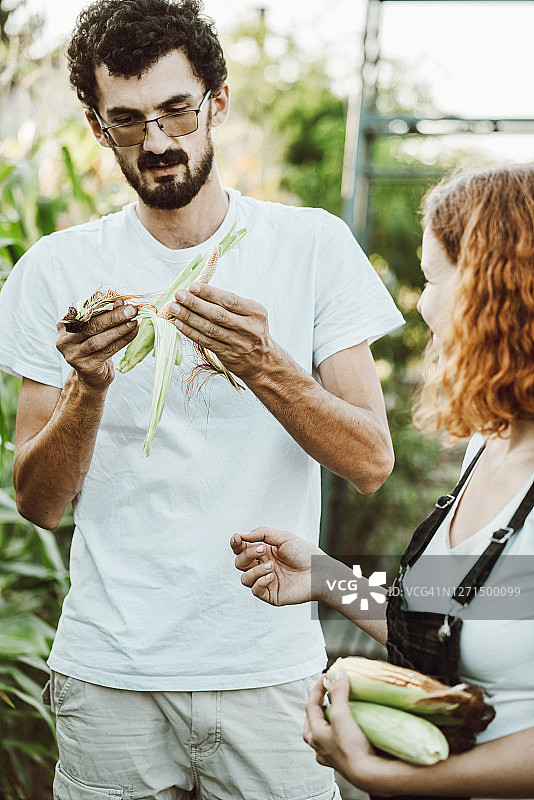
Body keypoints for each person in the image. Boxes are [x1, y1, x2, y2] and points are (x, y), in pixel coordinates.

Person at [0, 0, 404, 797]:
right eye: (128, 120)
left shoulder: (312, 245)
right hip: (110, 676)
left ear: (216, 101)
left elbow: (372, 461)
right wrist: (88, 385)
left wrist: (264, 366)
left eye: (177, 110)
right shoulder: (54, 270)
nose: (157, 141)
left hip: (269, 675)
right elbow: (39, 504)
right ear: (96, 125)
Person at [232, 165, 534, 799]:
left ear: (498, 287)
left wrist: (388, 776)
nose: (422, 304)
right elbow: (464, 624)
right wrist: (326, 579)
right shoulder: (490, 446)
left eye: (434, 277)